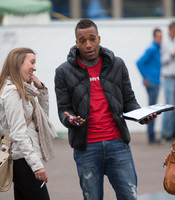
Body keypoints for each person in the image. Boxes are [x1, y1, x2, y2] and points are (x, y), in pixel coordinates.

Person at [54, 19, 156, 200]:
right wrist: (69, 119)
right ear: (76, 43)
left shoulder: (117, 64)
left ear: (99, 38)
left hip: (118, 144)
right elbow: (64, 109)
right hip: (86, 149)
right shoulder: (63, 72)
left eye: (92, 39)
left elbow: (129, 101)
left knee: (129, 197)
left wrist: (142, 116)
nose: (88, 45)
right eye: (82, 40)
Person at [0, 47, 58, 200]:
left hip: (24, 159)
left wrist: (41, 90)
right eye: (32, 62)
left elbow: (41, 121)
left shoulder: (24, 90)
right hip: (24, 161)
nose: (35, 67)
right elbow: (18, 133)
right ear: (18, 64)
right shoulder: (12, 93)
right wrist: (37, 165)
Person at [136, 28, 162, 144]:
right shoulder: (152, 49)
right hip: (152, 83)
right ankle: (151, 137)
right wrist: (145, 77)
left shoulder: (157, 49)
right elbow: (139, 62)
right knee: (152, 110)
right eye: (158, 37)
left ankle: (151, 136)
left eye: (161, 37)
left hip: (155, 81)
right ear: (154, 37)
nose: (160, 39)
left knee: (153, 109)